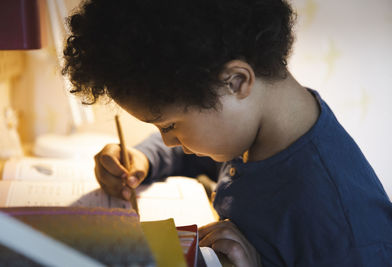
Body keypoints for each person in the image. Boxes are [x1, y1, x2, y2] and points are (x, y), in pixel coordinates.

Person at [62, 0, 392, 266]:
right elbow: (194, 155)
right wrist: (142, 158)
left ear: (235, 82)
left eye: (169, 126)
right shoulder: (251, 130)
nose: (169, 141)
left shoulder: (343, 228)